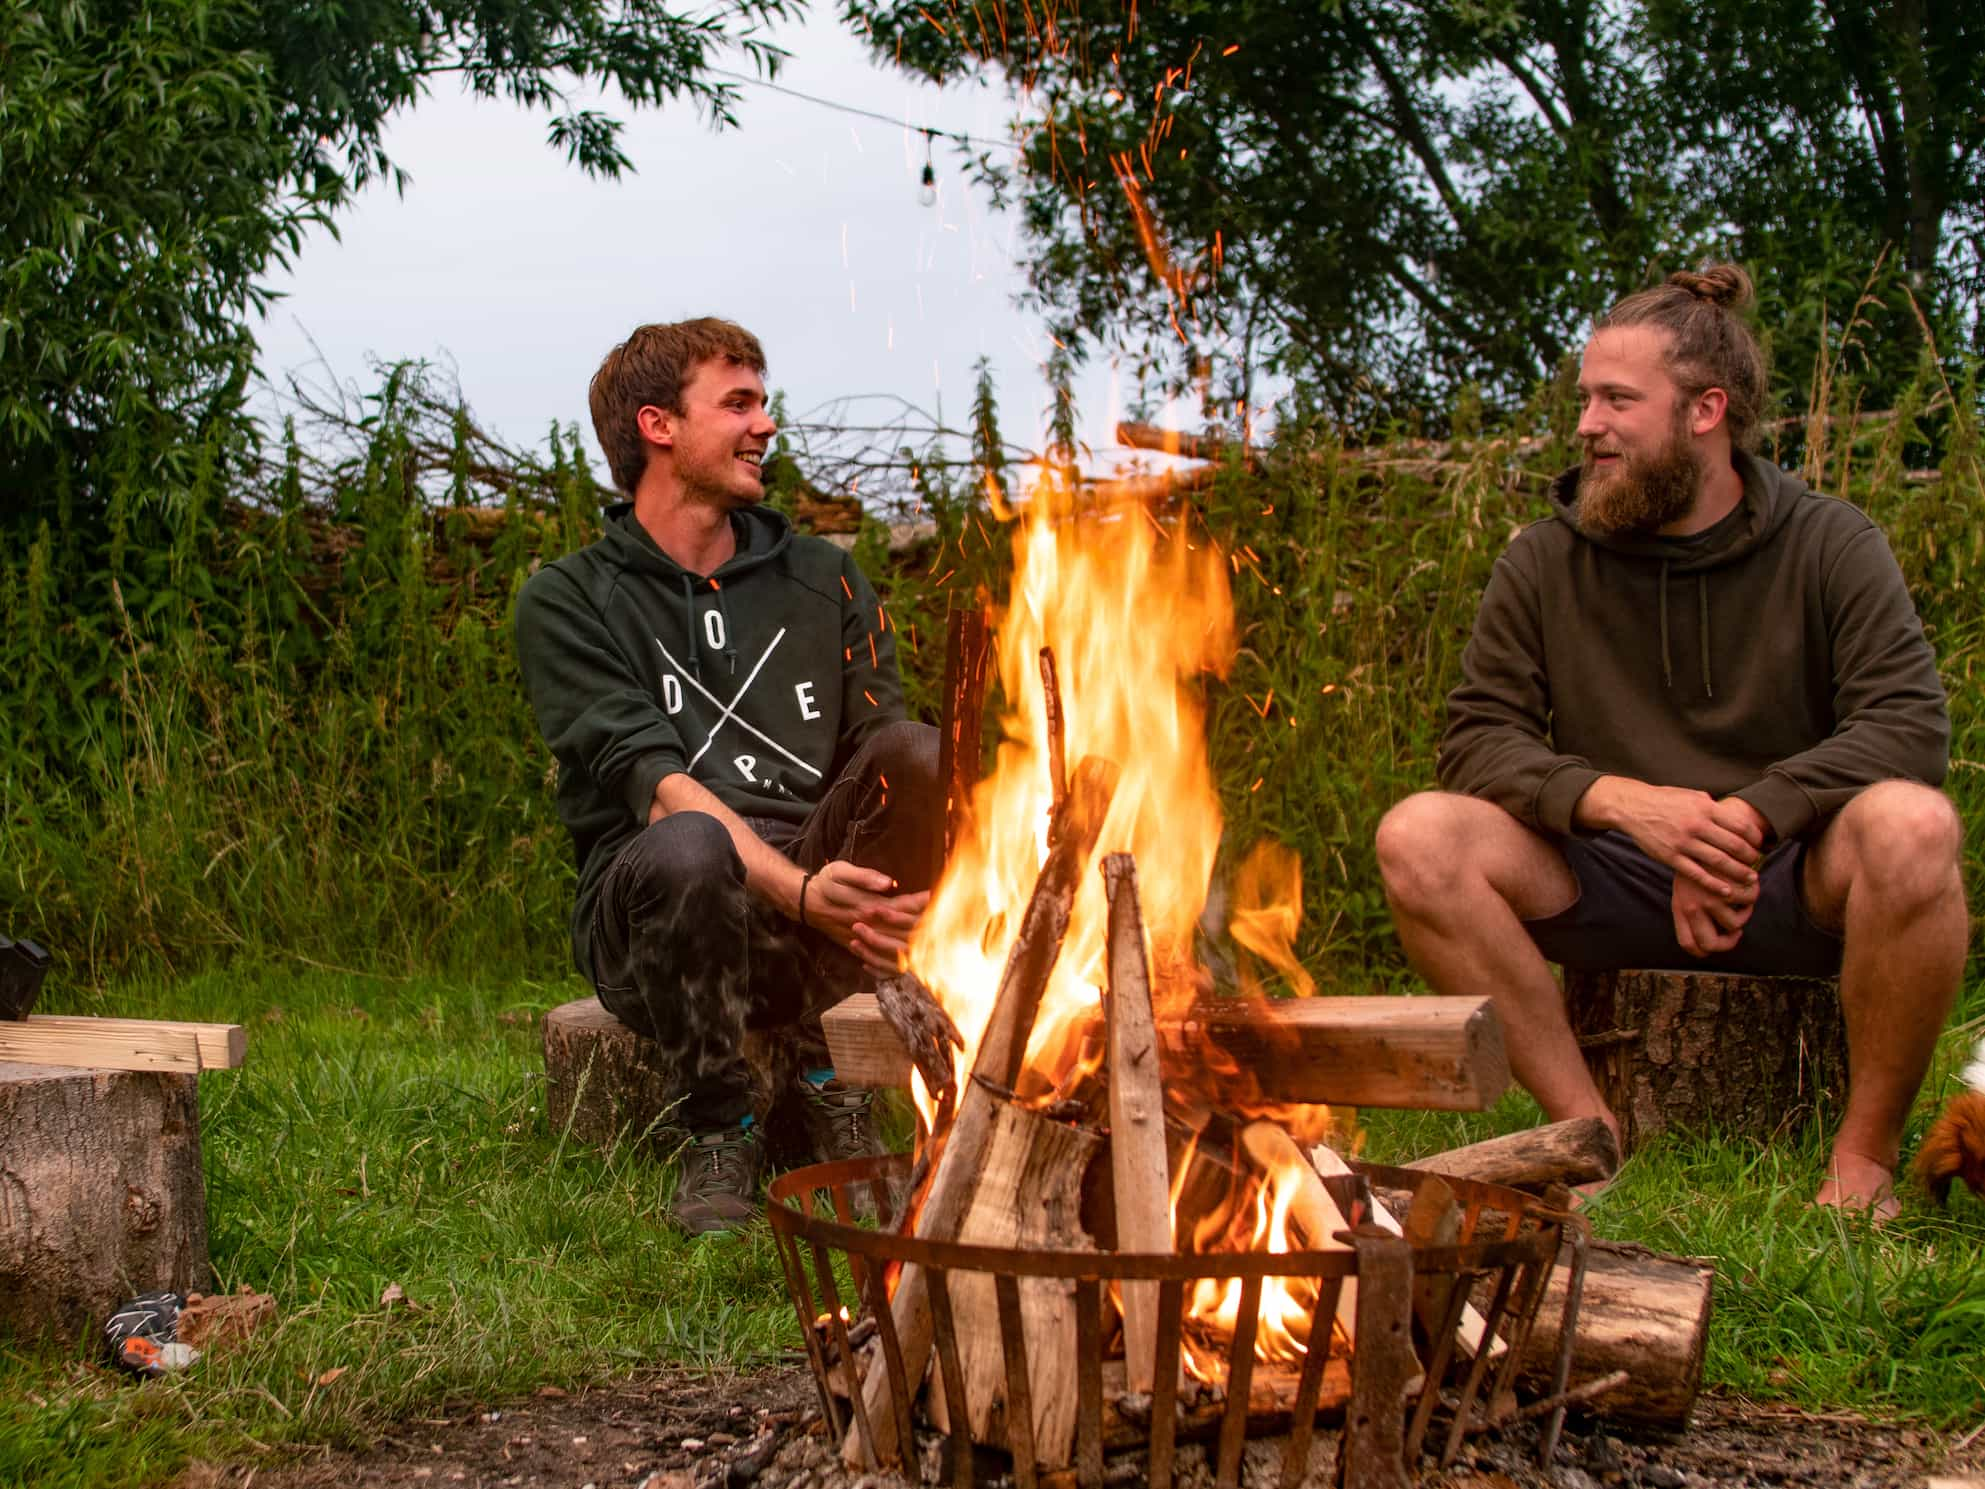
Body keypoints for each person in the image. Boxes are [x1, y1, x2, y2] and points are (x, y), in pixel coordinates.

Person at [1376, 264, 1963, 1220]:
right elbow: (1478, 737)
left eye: (1616, 400)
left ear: (1704, 411)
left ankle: (1861, 1163)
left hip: (1790, 878)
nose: (1585, 426)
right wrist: (1624, 804)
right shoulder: (1542, 558)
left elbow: (1906, 725)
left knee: (1913, 824)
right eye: (1584, 399)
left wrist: (1745, 818)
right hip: (1609, 872)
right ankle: (1586, 1138)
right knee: (1419, 837)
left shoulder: (1830, 543)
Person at [516, 318, 938, 1234]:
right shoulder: (569, 599)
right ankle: (720, 1125)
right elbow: (659, 787)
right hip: (660, 917)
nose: (766, 424)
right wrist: (801, 891)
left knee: (919, 755)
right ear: (658, 425)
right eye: (738, 402)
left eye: (763, 399)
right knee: (689, 840)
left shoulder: (824, 575)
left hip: (816, 909)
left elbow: (886, 764)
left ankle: (832, 1069)